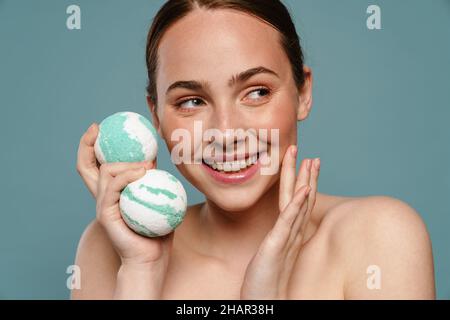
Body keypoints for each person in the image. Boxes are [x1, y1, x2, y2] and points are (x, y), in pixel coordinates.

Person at [72, 0, 435, 299]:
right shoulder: (109, 250)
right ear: (156, 115)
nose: (226, 132)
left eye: (257, 92)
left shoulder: (379, 237)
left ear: (302, 93)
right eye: (192, 101)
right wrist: (140, 271)